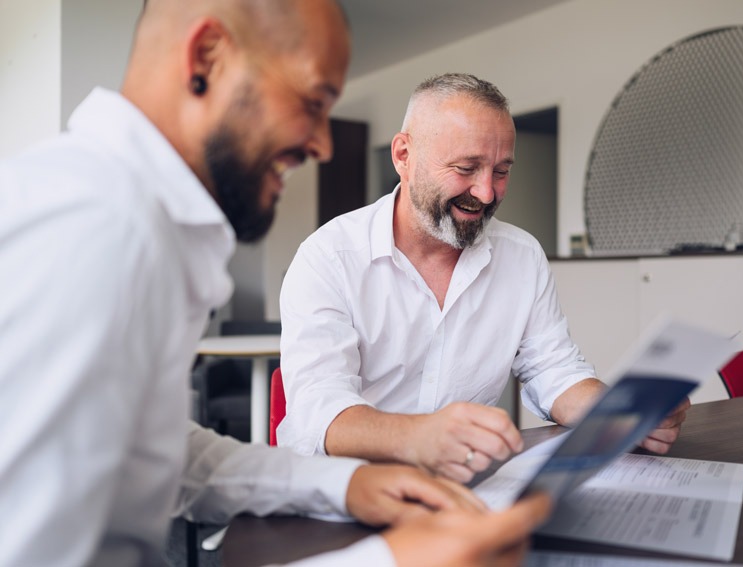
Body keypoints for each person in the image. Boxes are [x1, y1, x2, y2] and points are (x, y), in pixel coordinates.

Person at [0, 2, 551, 566]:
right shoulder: (87, 227)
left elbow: (155, 450)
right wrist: (391, 560)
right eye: (312, 101)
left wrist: (343, 485)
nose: (323, 146)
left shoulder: (142, 221)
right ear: (206, 58)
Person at [278, 72, 691, 482]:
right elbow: (319, 409)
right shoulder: (329, 258)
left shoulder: (522, 257)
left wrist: (623, 414)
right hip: (345, 493)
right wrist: (420, 437)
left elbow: (554, 370)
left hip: (465, 488)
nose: (486, 193)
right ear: (403, 155)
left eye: (501, 171)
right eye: (466, 168)